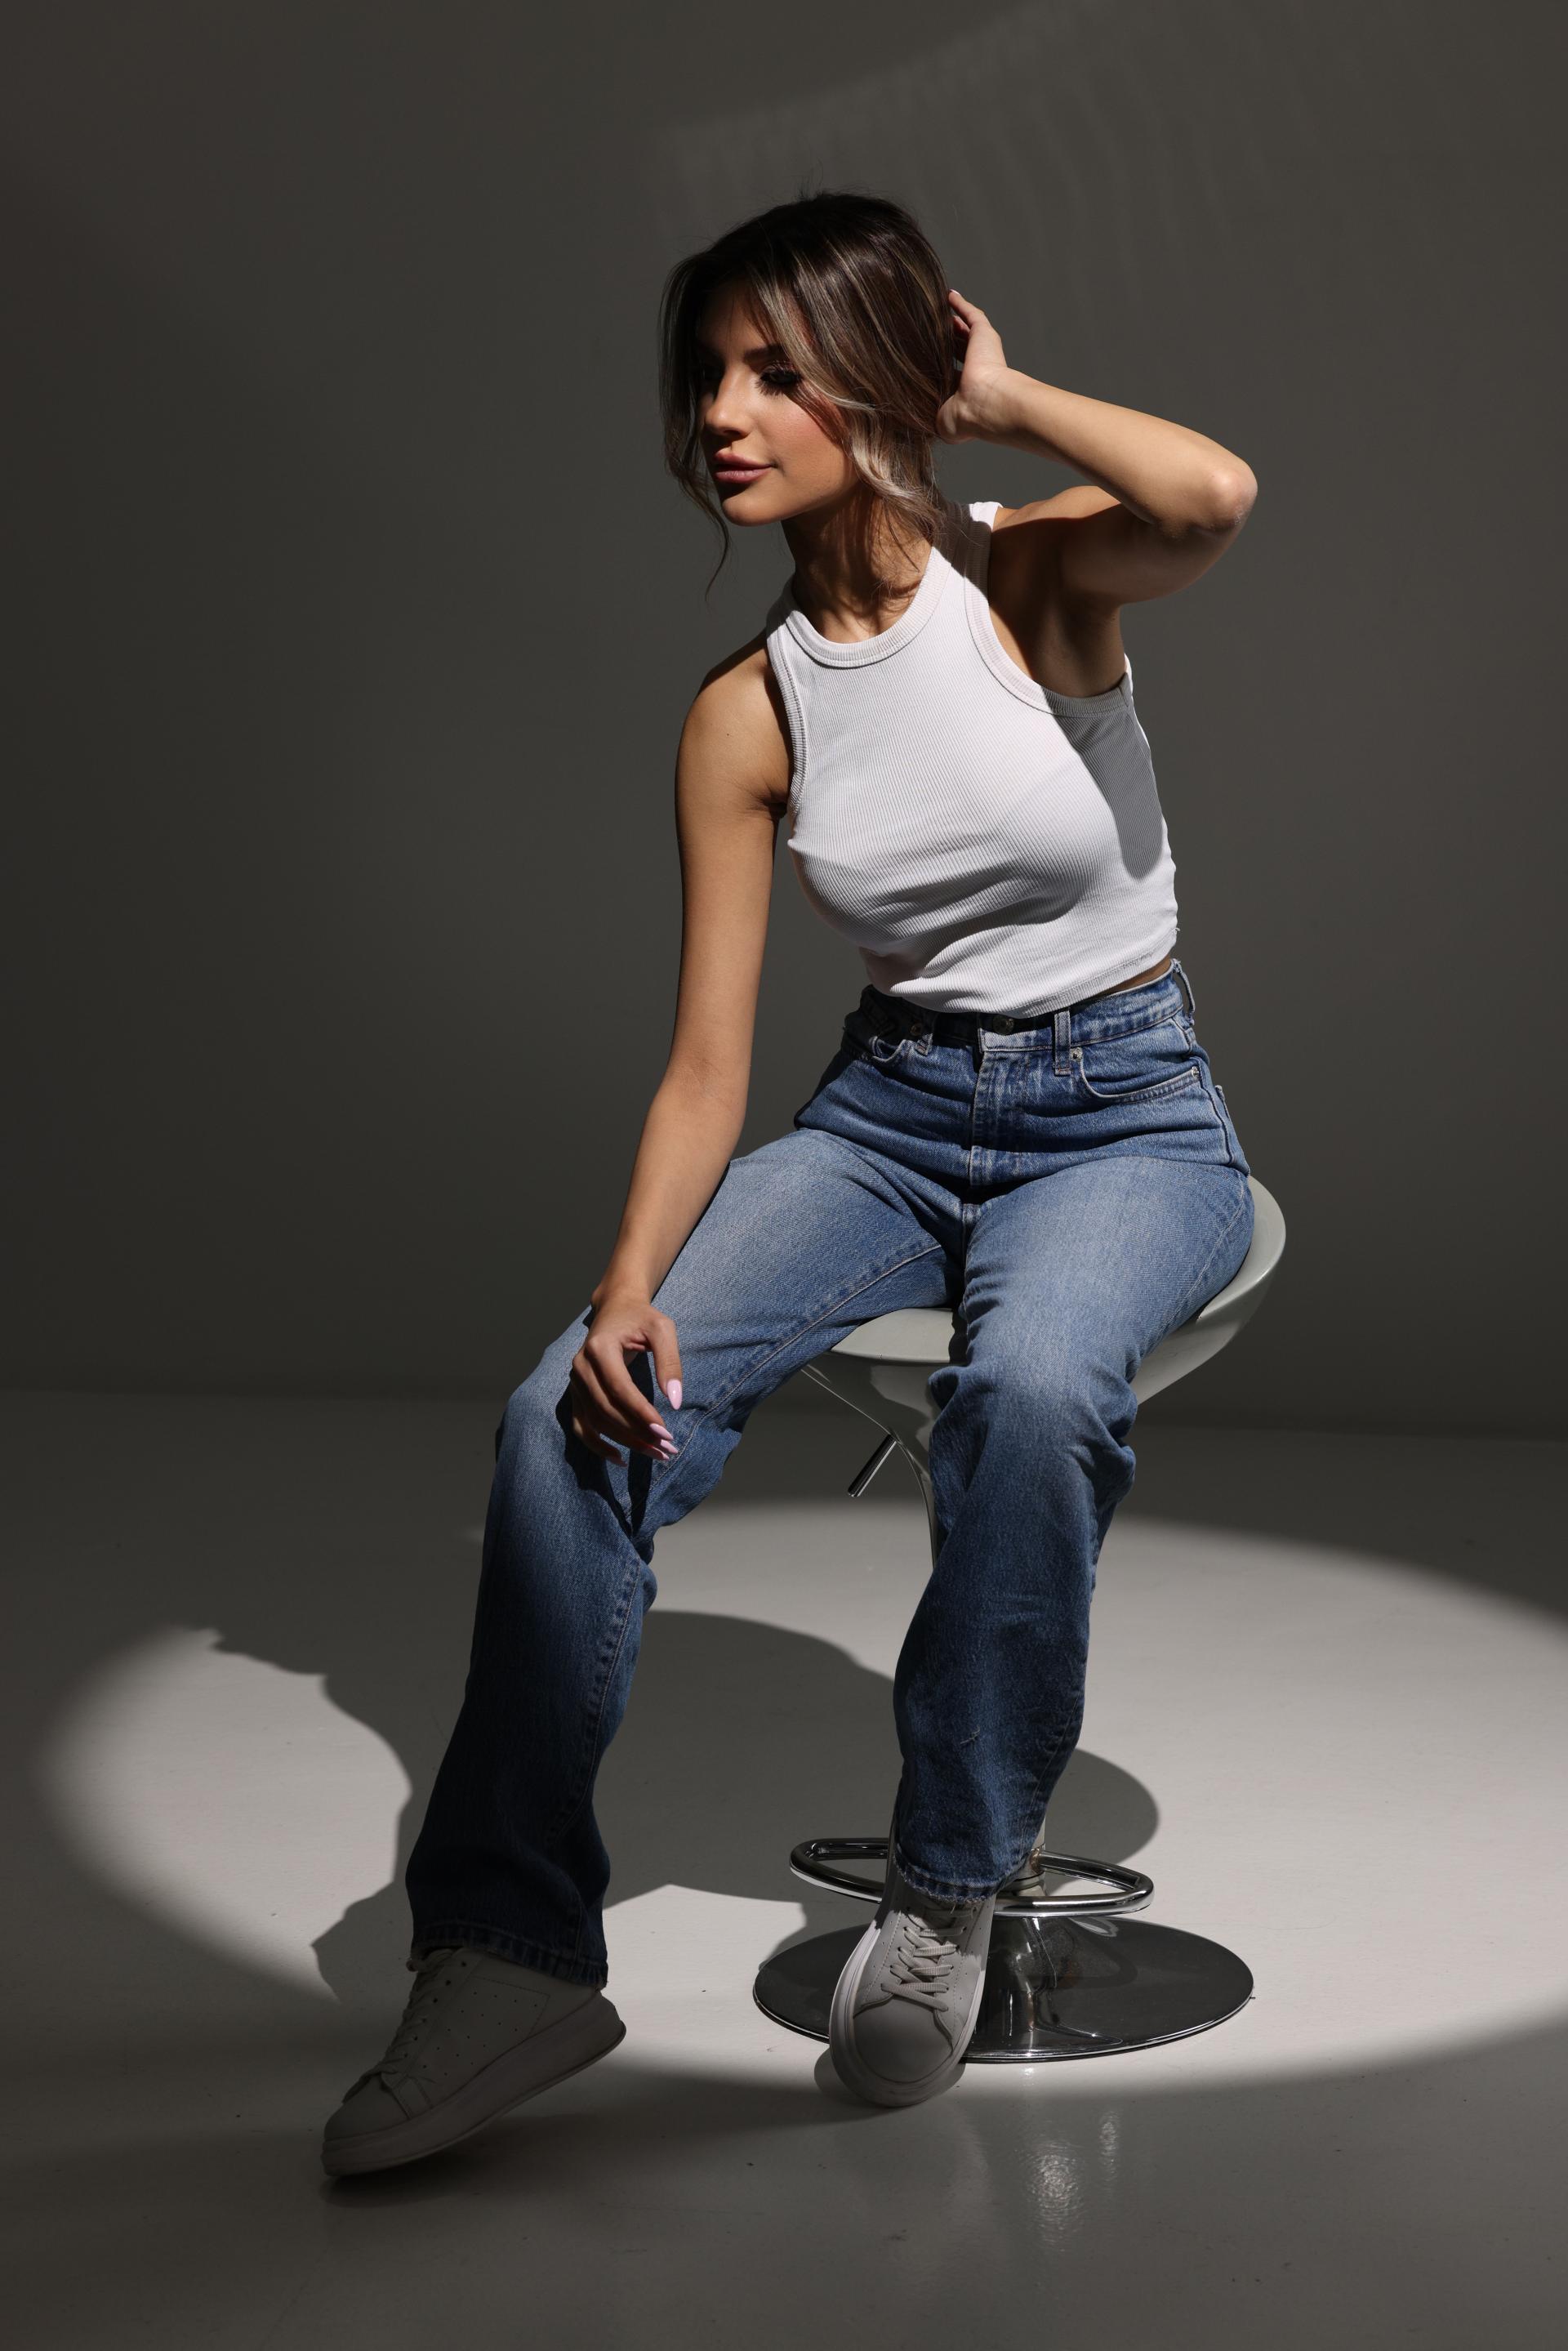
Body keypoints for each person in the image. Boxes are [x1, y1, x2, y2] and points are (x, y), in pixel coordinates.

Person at [322, 189, 1258, 2175]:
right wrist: (629, 1284)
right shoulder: (745, 714)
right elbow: (707, 1062)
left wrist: (998, 392)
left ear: (882, 376)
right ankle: (505, 1953)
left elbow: (1215, 494)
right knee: (562, 1411)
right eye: (707, 377)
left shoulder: (1027, 576)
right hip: (889, 1121)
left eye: (775, 371)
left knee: (1029, 1390)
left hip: (1126, 1116)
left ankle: (947, 1886)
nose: (722, 415)